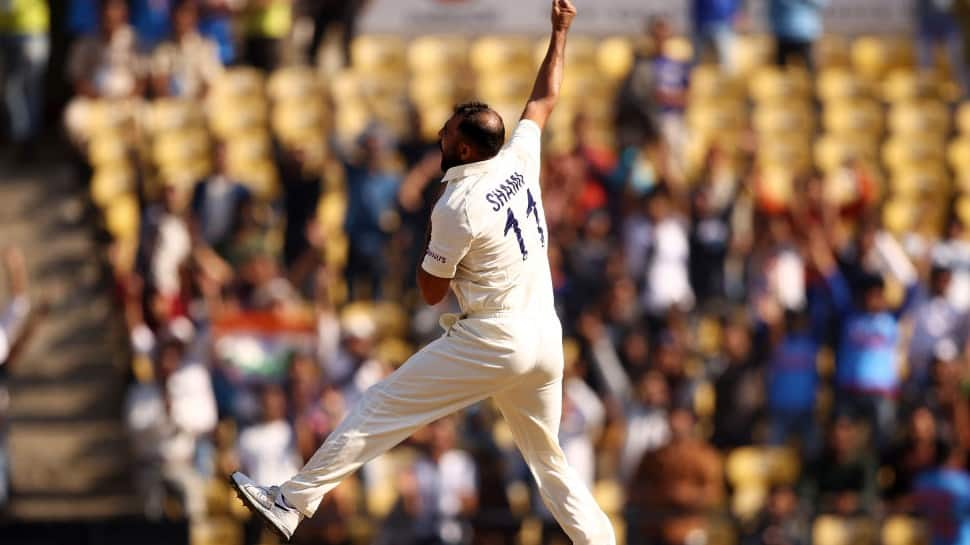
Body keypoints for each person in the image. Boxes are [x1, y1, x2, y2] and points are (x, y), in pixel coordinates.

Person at [231, 3, 617, 544]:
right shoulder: (516, 158)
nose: (438, 134)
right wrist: (560, 32)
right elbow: (544, 98)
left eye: (447, 131)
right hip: (545, 335)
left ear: (462, 147)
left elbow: (432, 293)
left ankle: (293, 502)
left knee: (379, 406)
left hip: (495, 335)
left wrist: (425, 250)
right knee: (549, 460)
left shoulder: (456, 203)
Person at [0, 0, 50, 159]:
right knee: (12, 90)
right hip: (6, 32)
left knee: (29, 89)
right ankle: (21, 139)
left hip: (32, 30)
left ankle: (28, 142)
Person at [149, 0, 223, 99]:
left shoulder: (206, 46)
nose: (182, 19)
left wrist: (194, 105)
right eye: (179, 14)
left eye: (187, 14)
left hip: (198, 106)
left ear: (195, 18)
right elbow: (160, 83)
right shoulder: (162, 48)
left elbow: (209, 82)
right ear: (172, 16)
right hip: (172, 106)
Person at [769, 0, 828, 69]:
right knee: (781, 69)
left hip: (806, 34)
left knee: (809, 67)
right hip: (784, 33)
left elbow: (821, 3)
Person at [691, 0, 742, 72]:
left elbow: (735, 8)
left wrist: (736, 19)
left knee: (729, 63)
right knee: (698, 61)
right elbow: (696, 10)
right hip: (704, 25)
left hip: (724, 25)